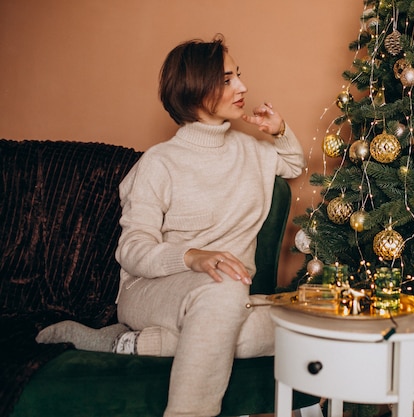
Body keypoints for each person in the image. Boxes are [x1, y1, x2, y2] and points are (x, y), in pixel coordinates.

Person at [36, 35, 306, 417]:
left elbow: (292, 164)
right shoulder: (159, 163)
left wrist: (278, 131)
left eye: (239, 76)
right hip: (152, 291)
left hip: (225, 296)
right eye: (227, 79)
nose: (243, 87)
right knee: (229, 297)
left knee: (304, 323)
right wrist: (191, 256)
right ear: (195, 90)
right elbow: (132, 250)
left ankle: (135, 344)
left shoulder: (253, 151)